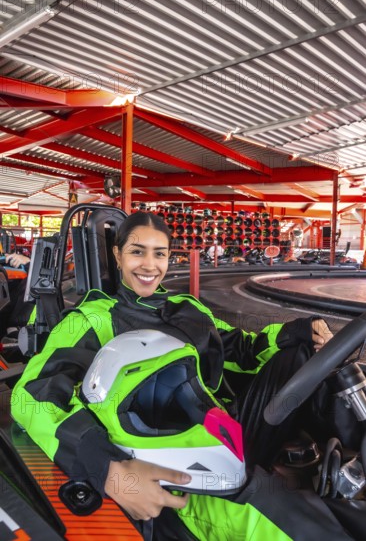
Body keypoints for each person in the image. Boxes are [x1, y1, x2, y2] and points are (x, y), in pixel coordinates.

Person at [11, 212, 356, 540]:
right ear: (117, 255)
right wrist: (109, 470)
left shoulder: (188, 309)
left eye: (159, 254)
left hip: (223, 428)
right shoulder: (93, 319)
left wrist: (296, 331)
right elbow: (32, 396)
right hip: (170, 457)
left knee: (300, 353)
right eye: (137, 252)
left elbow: (242, 350)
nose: (149, 265)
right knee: (297, 523)